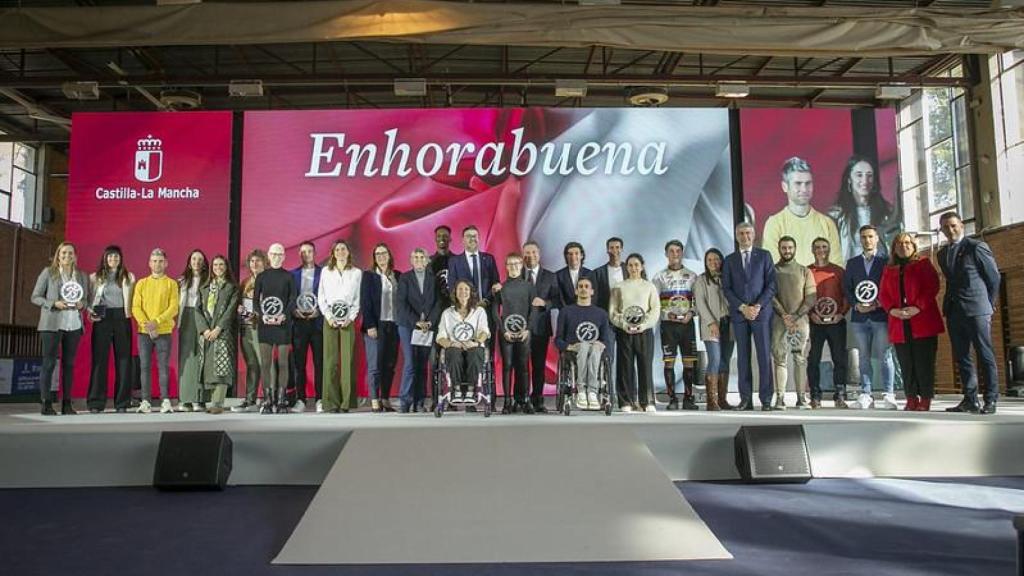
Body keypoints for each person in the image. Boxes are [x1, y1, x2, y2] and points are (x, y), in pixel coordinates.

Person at [937, 212, 1001, 414]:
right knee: (962, 357)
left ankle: (990, 400)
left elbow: (994, 278)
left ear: (962, 226)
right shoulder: (941, 253)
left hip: (977, 309)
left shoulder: (976, 247)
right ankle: (970, 400)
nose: (950, 230)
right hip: (954, 311)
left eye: (953, 225)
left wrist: (989, 304)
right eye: (946, 227)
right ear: (942, 230)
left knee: (985, 354)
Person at [879, 233, 944, 412]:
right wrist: (893, 310)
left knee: (924, 362)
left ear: (914, 246)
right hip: (899, 322)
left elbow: (932, 287)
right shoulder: (888, 269)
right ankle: (910, 398)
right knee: (906, 363)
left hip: (922, 321)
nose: (904, 246)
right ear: (894, 248)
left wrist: (917, 307)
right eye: (899, 243)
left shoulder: (923, 264)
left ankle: (925, 398)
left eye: (907, 243)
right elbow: (883, 294)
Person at [31, 241, 91, 416]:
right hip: (51, 325)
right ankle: (46, 403)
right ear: (58, 255)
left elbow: (86, 300)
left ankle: (66, 404)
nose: (67, 256)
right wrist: (53, 303)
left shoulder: (82, 276)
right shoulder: (48, 273)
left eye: (70, 253)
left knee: (69, 365)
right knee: (49, 364)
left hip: (73, 325)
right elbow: (35, 297)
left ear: (75, 257)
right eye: (63, 253)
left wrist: (82, 304)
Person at [722, 222, 776, 411]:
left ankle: (766, 399)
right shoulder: (729, 260)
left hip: (761, 315)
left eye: (748, 233)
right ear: (736, 236)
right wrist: (743, 307)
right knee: (743, 358)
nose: (745, 236)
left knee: (763, 357)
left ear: (754, 235)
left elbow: (771, 285)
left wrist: (757, 306)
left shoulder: (764, 256)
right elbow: (726, 289)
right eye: (741, 233)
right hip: (740, 315)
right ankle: (745, 400)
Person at [842, 225, 898, 410]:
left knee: (885, 356)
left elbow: (890, 287)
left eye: (870, 236)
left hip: (880, 315)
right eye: (864, 237)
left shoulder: (886, 262)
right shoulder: (852, 263)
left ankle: (889, 394)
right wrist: (856, 304)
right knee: (863, 357)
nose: (867, 240)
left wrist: (878, 304)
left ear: (876, 238)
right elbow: (847, 289)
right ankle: (866, 394)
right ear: (860, 239)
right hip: (859, 317)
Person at [761, 157, 843, 267]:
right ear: (785, 186)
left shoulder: (827, 224)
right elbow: (774, 270)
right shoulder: (774, 224)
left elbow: (837, 269)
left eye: (808, 183)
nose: (804, 189)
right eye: (798, 183)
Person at [652, 240, 700, 410]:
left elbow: (698, 302)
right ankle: (672, 399)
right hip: (669, 326)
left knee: (689, 362)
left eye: (678, 251)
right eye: (671, 251)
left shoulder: (692, 275)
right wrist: (667, 315)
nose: (675, 254)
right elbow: (654, 304)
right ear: (666, 254)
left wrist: (691, 313)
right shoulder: (659, 277)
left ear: (682, 253)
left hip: (687, 325)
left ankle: (688, 398)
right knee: (669, 362)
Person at [86, 245, 134, 413]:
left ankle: (122, 403)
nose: (113, 260)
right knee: (99, 361)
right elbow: (88, 300)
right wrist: (91, 313)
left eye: (116, 257)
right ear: (105, 258)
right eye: (110, 257)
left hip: (122, 318)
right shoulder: (95, 277)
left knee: (123, 361)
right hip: (102, 317)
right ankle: (96, 403)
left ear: (121, 259)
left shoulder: (129, 277)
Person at [770, 237, 817, 410]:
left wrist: (796, 315)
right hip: (778, 321)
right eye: (784, 248)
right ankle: (780, 398)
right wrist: (784, 315)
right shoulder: (772, 271)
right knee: (780, 359)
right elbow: (770, 295)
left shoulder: (805, 271)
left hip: (801, 321)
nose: (787, 250)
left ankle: (801, 398)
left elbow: (811, 297)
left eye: (790, 247)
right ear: (779, 249)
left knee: (800, 359)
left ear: (795, 248)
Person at [131, 248, 180, 414]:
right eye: (154, 261)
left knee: (163, 367)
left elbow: (173, 307)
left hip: (163, 331)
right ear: (149, 263)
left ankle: (165, 400)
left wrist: (157, 322)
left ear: (166, 263)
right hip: (144, 332)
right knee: (144, 367)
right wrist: (146, 324)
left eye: (160, 261)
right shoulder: (141, 283)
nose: (157, 264)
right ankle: (145, 401)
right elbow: (135, 307)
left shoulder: (171, 283)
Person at [610, 254, 660, 412]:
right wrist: (623, 324)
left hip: (644, 332)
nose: (633, 268)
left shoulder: (649, 286)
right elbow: (613, 311)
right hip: (625, 331)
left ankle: (648, 401)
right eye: (630, 265)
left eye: (636, 265)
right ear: (626, 267)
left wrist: (644, 325)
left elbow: (655, 310)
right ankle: (626, 401)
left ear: (642, 266)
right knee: (625, 366)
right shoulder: (619, 287)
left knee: (645, 365)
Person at [556, 276, 615, 410]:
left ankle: (592, 392)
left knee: (593, 348)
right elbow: (558, 339)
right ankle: (581, 390)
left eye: (586, 287)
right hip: (574, 350)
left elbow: (606, 339)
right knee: (583, 345)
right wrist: (569, 346)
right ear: (576, 291)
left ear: (592, 292)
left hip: (594, 350)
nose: (583, 289)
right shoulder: (566, 312)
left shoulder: (601, 314)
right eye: (580, 287)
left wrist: (601, 344)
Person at [827, 155, 900, 262]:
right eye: (859, 175)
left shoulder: (885, 213)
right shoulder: (836, 216)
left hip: (879, 272)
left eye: (869, 175)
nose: (865, 180)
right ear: (849, 180)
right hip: (850, 274)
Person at [318, 240, 362, 413]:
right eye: (338, 249)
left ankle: (346, 403)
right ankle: (331, 402)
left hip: (347, 322)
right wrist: (328, 316)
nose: (341, 252)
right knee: (330, 361)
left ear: (348, 252)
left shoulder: (356, 273)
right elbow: (321, 297)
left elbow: (357, 299)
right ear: (333, 253)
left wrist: (350, 318)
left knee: (347, 361)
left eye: (344, 249)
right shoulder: (326, 272)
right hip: (329, 321)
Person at [396, 248, 441, 413]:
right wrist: (416, 322)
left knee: (422, 364)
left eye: (422, 257)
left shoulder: (433, 279)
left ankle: (420, 401)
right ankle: (405, 401)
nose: (419, 259)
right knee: (410, 363)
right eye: (415, 257)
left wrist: (429, 322)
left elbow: (438, 303)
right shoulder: (405, 278)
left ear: (427, 260)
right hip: (408, 325)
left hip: (427, 327)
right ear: (411, 260)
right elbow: (401, 303)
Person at [807, 237, 850, 409]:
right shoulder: (807, 271)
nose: (821, 250)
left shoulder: (838, 271)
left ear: (829, 249)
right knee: (813, 360)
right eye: (817, 247)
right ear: (812, 249)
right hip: (815, 322)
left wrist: (842, 313)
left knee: (839, 359)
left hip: (836, 322)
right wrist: (810, 314)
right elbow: (803, 296)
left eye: (824, 246)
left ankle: (840, 394)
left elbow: (846, 294)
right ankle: (815, 396)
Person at [254, 243, 296, 414]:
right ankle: (268, 399)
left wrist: (284, 315)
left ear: (284, 256)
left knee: (283, 362)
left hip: (283, 325)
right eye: (273, 254)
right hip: (265, 324)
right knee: (265, 363)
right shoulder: (261, 277)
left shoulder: (289, 277)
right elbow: (256, 301)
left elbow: (293, 298)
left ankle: (281, 399)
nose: (277, 256)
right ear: (268, 256)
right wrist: (262, 315)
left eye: (280, 254)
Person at [196, 255, 239, 415]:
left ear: (226, 267)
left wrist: (218, 329)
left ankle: (218, 403)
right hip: (207, 333)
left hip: (223, 333)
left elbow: (230, 311)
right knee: (209, 368)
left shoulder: (232, 288)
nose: (218, 267)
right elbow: (197, 310)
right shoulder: (205, 288)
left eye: (221, 264)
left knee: (222, 367)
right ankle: (211, 401)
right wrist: (205, 330)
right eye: (215, 265)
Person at [361, 243, 401, 412]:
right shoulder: (369, 276)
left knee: (389, 364)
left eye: (384, 253)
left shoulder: (398, 276)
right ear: (374, 258)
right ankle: (375, 399)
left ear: (389, 256)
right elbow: (365, 302)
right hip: (376, 325)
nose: (381, 257)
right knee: (375, 365)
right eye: (377, 254)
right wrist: (370, 325)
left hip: (394, 325)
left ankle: (385, 398)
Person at [494, 252, 536, 414]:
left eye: (516, 264)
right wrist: (503, 330)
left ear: (521, 266)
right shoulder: (500, 287)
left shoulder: (529, 287)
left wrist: (528, 329)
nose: (513, 267)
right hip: (506, 334)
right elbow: (495, 311)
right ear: (505, 267)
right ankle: (507, 401)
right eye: (510, 264)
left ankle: (524, 399)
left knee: (523, 366)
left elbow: (533, 310)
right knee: (507, 366)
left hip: (524, 332)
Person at [437, 279, 491, 401]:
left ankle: (471, 390)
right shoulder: (447, 313)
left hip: (473, 344)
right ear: (455, 292)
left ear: (471, 292)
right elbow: (440, 336)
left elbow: (484, 331)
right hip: (454, 345)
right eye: (460, 289)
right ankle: (455, 390)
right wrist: (451, 343)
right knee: (453, 352)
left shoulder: (479, 311)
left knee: (476, 352)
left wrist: (475, 342)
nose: (463, 292)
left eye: (466, 289)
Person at [693, 248, 733, 411]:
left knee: (725, 360)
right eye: (709, 260)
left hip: (728, 323)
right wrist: (711, 323)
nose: (713, 263)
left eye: (716, 259)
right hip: (711, 325)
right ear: (705, 262)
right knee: (715, 359)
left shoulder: (728, 279)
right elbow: (700, 304)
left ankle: (722, 399)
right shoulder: (701, 280)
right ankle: (712, 401)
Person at [523, 241, 559, 413]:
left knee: (538, 366)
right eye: (527, 253)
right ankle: (522, 399)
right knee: (522, 365)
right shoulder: (517, 274)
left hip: (540, 328)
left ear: (539, 254)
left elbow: (557, 300)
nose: (531, 256)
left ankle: (538, 399)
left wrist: (545, 302)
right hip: (520, 329)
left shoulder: (550, 276)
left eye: (534, 253)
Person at [289, 240, 323, 413]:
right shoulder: (292, 274)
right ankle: (300, 399)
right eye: (303, 252)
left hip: (318, 324)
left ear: (314, 253)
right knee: (299, 364)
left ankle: (320, 399)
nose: (306, 254)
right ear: (299, 254)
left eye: (309, 251)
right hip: (299, 324)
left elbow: (328, 296)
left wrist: (321, 311)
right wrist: (293, 311)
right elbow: (289, 298)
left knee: (319, 363)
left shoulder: (324, 273)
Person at [232, 249, 267, 413]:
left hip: (261, 329)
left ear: (264, 262)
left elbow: (270, 307)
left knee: (263, 364)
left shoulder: (268, 281)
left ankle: (268, 398)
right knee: (251, 364)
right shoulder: (245, 282)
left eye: (258, 261)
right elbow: (239, 305)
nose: (254, 264)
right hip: (245, 328)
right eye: (252, 261)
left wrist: (254, 315)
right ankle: (250, 399)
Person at [176, 249, 209, 412]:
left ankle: (199, 399)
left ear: (204, 263)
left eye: (200, 259)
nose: (196, 262)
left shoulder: (209, 281)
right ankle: (184, 398)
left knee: (201, 357)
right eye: (194, 259)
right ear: (189, 262)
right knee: (186, 357)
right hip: (187, 317)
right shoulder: (181, 281)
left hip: (202, 317)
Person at [555, 241, 593, 308]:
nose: (573, 256)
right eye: (570, 254)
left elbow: (594, 297)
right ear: (566, 256)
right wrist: (568, 313)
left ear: (581, 255)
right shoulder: (558, 275)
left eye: (576, 253)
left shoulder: (590, 274)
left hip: (587, 312)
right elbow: (559, 299)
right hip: (566, 314)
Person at [593, 237, 626, 312]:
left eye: (617, 247)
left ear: (621, 249)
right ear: (607, 250)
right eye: (611, 248)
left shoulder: (629, 269)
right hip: (606, 313)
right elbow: (595, 297)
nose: (614, 250)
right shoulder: (598, 273)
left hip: (627, 313)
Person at [429, 225, 452, 304]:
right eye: (439, 236)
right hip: (434, 304)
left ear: (450, 239)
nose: (442, 238)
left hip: (453, 303)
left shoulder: (458, 260)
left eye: (445, 236)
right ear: (435, 239)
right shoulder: (427, 262)